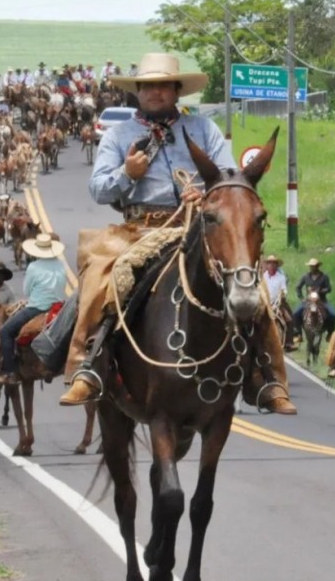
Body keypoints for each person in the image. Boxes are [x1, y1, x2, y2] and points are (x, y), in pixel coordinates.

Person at [59, 52, 296, 414]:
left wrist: (205, 194)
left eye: (163, 86)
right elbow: (98, 190)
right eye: (148, 86)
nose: (155, 92)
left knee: (251, 285)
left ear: (176, 91)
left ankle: (268, 378)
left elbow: (231, 179)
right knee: (101, 279)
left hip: (197, 226)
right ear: (138, 91)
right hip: (138, 229)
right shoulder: (119, 136)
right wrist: (127, 174)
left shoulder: (203, 129)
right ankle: (85, 366)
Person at [0, 234, 67, 385]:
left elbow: (27, 291)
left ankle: (10, 372)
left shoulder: (33, 267)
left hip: (37, 308)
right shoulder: (61, 265)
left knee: (6, 331)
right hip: (59, 309)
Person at [293, 258, 335, 341]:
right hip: (308, 300)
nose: (313, 268)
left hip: (321, 300)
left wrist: (321, 290)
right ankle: (298, 334)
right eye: (311, 266)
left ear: (318, 266)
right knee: (295, 313)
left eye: (314, 266)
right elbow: (298, 287)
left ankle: (330, 333)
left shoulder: (324, 276)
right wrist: (301, 298)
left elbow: (329, 288)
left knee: (333, 314)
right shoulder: (305, 276)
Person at [262, 255, 297, 352]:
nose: (272, 265)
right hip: (265, 302)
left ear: (277, 266)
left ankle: (289, 343)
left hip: (278, 302)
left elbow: (284, 289)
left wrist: (282, 295)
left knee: (290, 319)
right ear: (267, 265)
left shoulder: (281, 277)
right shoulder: (263, 277)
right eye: (270, 263)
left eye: (274, 263)